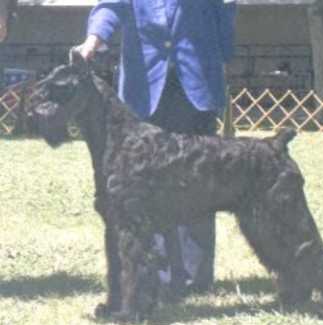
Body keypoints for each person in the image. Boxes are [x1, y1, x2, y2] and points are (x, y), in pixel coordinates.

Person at [76, 0, 237, 295]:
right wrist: (93, 40)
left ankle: (195, 278)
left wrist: (225, 53)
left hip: (197, 84)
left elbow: (222, 11)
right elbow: (110, 6)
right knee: (146, 192)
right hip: (145, 89)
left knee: (198, 186)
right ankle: (157, 277)